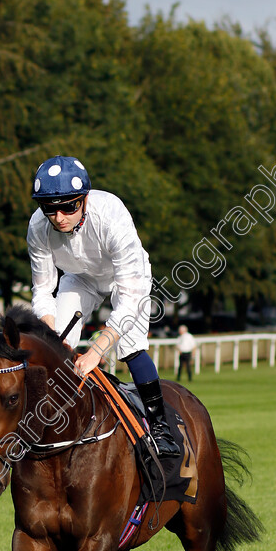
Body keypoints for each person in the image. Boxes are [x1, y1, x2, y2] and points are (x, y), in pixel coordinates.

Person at [27, 155, 180, 457]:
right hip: (80, 278)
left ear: (83, 199)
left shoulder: (111, 215)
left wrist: (96, 352)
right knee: (54, 344)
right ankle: (48, 421)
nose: (59, 217)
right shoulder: (37, 227)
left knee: (130, 346)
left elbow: (129, 301)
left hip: (127, 280)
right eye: (49, 208)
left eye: (68, 206)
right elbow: (42, 289)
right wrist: (51, 335)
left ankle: (160, 428)